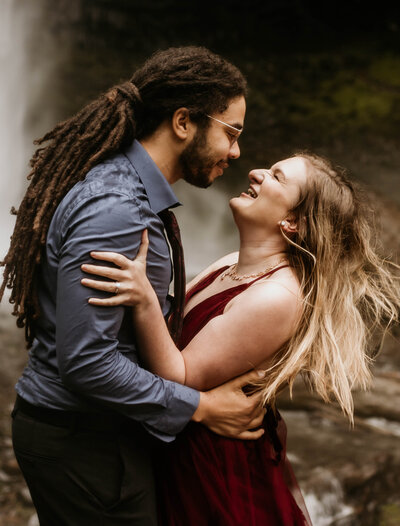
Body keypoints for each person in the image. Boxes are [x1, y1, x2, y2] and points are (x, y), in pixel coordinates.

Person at [0, 46, 268, 526]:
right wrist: (202, 408)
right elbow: (86, 360)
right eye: (231, 132)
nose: (236, 152)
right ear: (184, 122)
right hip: (85, 442)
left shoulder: (132, 195)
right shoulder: (117, 209)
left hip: (94, 438)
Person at [81, 152, 400, 525]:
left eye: (277, 177)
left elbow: (177, 375)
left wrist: (143, 299)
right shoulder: (232, 264)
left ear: (292, 222)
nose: (256, 172)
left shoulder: (277, 297)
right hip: (179, 441)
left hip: (210, 468)